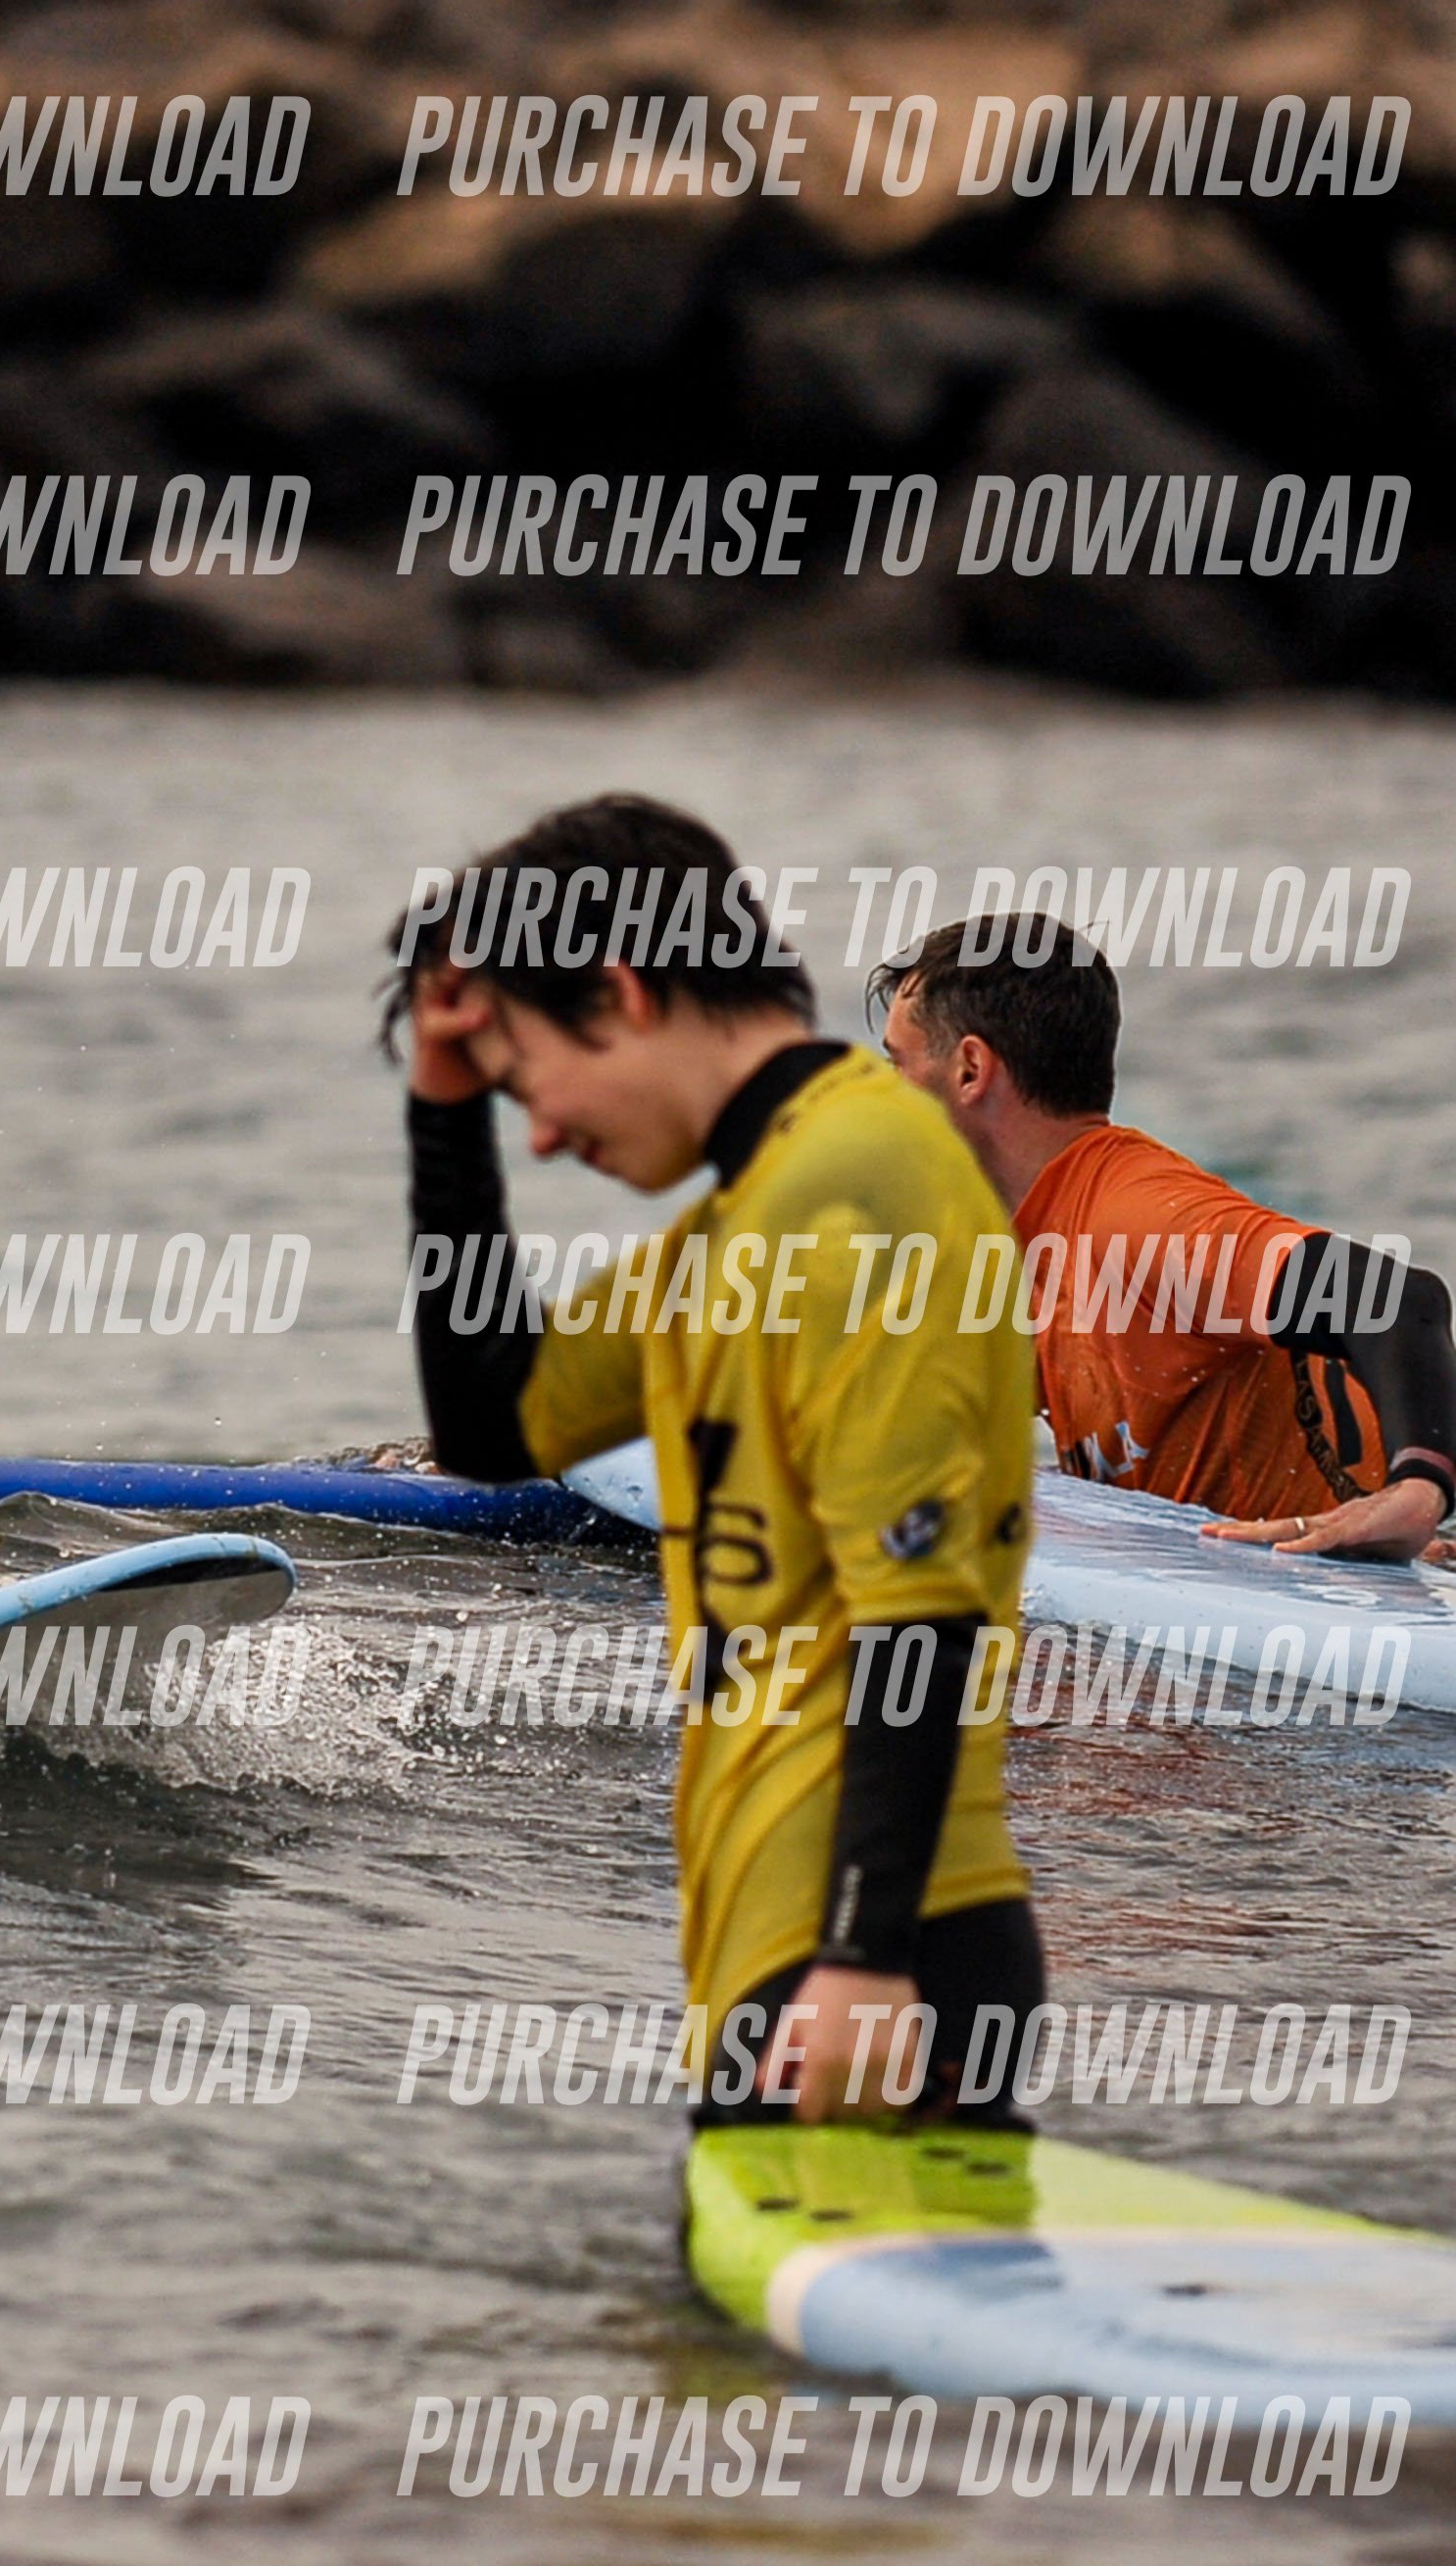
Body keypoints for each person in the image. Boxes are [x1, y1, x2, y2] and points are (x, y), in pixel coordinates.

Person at [391, 795, 1039, 2132]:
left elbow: (921, 1610)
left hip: (880, 1951)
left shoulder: (860, 1182)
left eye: (523, 1081)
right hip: (793, 1937)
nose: (541, 1135)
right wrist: (443, 1117)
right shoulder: (744, 1218)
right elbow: (492, 1428)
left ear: (621, 991)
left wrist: (861, 1955)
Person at [874, 916, 1453, 1564]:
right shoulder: (1027, 1242)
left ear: (970, 1070)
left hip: (1365, 1600)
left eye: (896, 1064)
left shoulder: (1134, 1217)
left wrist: (1416, 1490)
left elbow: (1393, 1297)